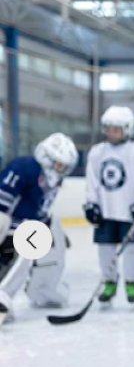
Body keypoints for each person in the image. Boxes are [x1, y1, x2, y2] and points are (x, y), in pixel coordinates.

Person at [0, 133, 78, 322]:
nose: (60, 169)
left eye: (64, 166)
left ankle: (31, 292)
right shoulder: (25, 167)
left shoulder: (52, 181)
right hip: (7, 223)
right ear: (46, 156)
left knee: (39, 240)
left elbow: (39, 211)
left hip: (19, 228)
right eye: (58, 163)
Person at [84, 106, 134, 306]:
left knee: (132, 250)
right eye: (108, 129)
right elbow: (92, 180)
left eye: (116, 129)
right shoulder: (97, 152)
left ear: (127, 129)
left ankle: (131, 283)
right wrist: (91, 204)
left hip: (130, 213)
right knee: (105, 249)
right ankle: (109, 283)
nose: (111, 133)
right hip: (106, 211)